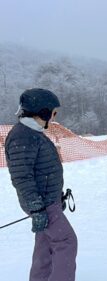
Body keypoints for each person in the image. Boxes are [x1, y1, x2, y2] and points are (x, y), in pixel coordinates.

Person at [5, 88, 77, 281]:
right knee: (66, 241)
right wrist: (36, 209)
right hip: (42, 204)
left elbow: (41, 170)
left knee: (45, 245)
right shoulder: (23, 136)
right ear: (43, 112)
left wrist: (55, 196)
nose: (54, 117)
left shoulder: (32, 132)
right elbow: (22, 177)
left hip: (47, 202)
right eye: (53, 113)